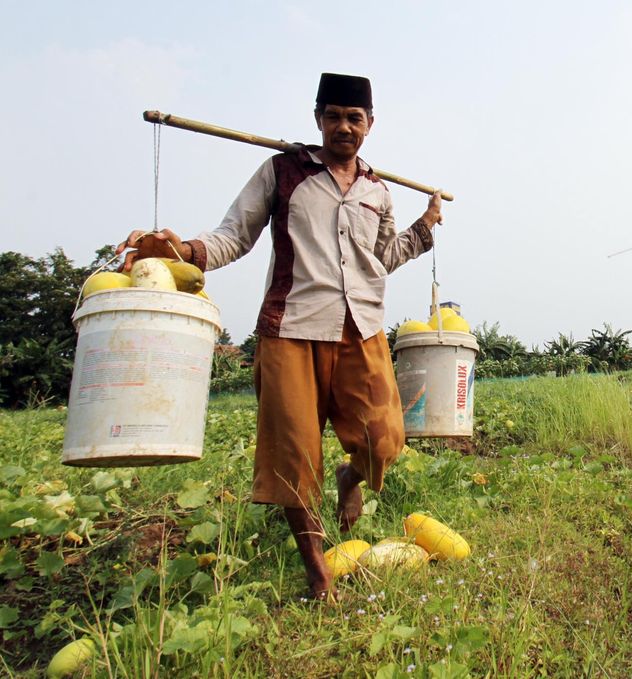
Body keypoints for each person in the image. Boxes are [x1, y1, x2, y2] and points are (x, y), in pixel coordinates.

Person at [116, 73, 442, 601]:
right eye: (333, 116)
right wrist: (185, 253)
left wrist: (424, 228)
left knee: (384, 439)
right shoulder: (282, 172)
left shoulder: (378, 191)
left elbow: (382, 259)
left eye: (354, 118)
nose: (343, 126)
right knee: (293, 457)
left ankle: (349, 477)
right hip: (291, 329)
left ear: (370, 125)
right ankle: (318, 573)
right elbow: (233, 235)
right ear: (318, 119)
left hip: (361, 329)